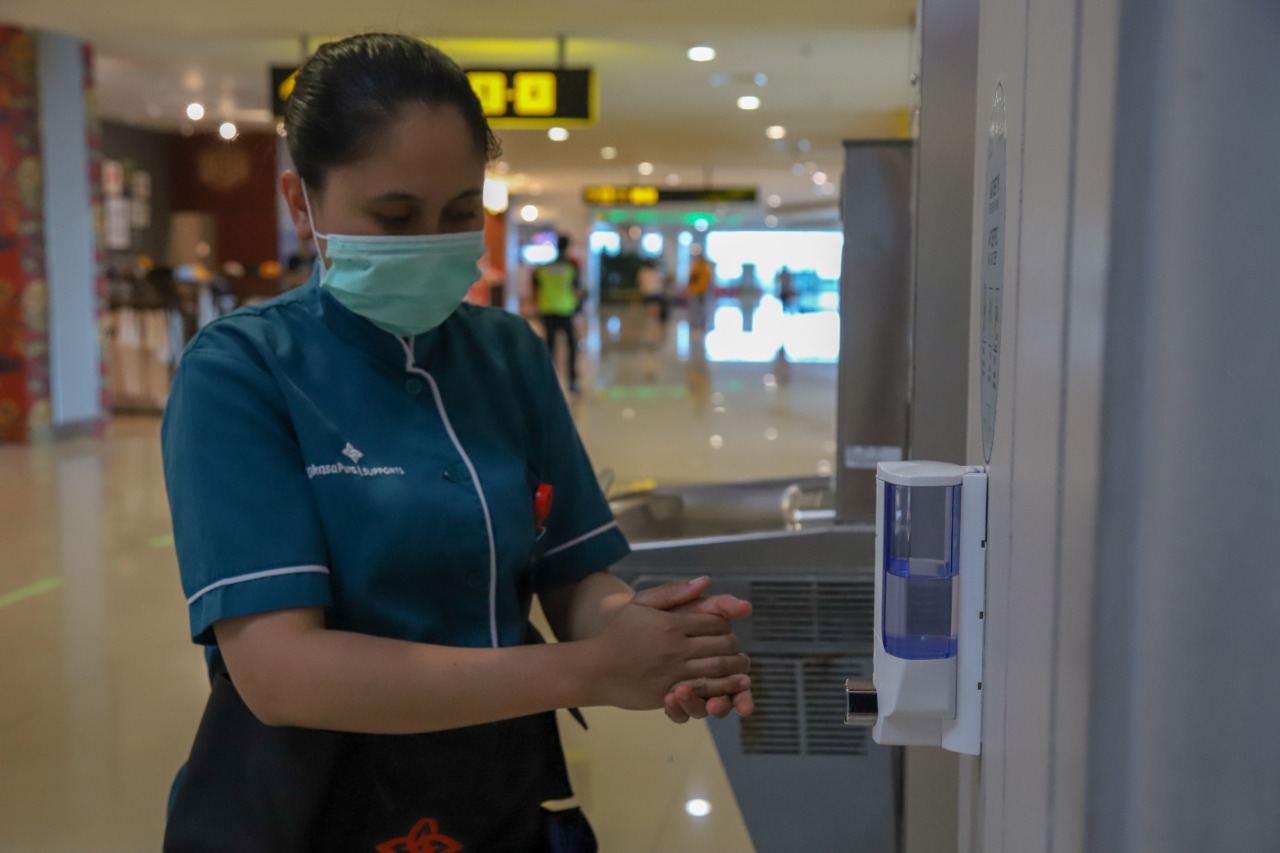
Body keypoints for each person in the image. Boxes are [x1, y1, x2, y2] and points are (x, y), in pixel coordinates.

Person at [160, 34, 753, 853]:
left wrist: (649, 635)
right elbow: (280, 670)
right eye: (395, 216)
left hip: (494, 789)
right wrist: (589, 670)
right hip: (305, 803)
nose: (433, 241)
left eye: (460, 212)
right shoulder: (242, 369)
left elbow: (572, 573)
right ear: (303, 204)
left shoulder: (506, 353)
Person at [533, 234, 584, 393]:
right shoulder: (570, 267)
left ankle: (546, 381)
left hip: (547, 309)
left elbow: (536, 288)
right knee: (571, 346)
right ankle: (572, 382)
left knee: (550, 346)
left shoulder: (543, 267)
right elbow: (577, 289)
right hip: (565, 310)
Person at [685, 243, 715, 329]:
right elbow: (691, 278)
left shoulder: (706, 266)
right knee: (694, 307)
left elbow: (709, 279)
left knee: (703, 308)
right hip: (695, 290)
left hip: (704, 291)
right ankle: (694, 322)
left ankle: (702, 322)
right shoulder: (695, 266)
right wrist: (689, 289)